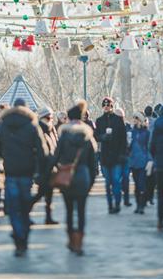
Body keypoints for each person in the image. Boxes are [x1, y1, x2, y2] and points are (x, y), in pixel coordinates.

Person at [0, 98, 48, 257]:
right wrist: (39, 170)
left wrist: (5, 157)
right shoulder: (32, 125)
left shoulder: (3, 124)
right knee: (25, 208)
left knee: (13, 208)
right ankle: (24, 237)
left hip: (11, 171)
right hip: (27, 172)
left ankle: (18, 236)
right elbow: (42, 150)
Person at [53, 100, 97, 256]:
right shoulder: (88, 137)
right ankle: (79, 243)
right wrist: (90, 183)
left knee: (69, 211)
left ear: (69, 119)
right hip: (83, 177)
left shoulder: (64, 137)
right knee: (81, 212)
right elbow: (94, 165)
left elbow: (55, 158)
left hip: (67, 178)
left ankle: (71, 239)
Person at [95, 97, 127, 214]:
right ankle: (110, 205)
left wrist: (123, 154)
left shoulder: (118, 120)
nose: (106, 107)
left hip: (117, 156)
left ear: (112, 106)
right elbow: (96, 136)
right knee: (108, 183)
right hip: (105, 157)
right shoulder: (99, 121)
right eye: (104, 105)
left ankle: (117, 204)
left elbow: (123, 139)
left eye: (108, 105)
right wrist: (103, 137)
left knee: (116, 181)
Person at [30, 106, 59, 224]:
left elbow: (56, 145)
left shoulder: (51, 129)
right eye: (48, 116)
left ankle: (48, 216)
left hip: (51, 166)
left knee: (48, 193)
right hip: (42, 167)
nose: (50, 119)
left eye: (51, 116)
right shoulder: (38, 129)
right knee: (42, 192)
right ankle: (25, 211)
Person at [128, 112, 151, 214]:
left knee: (142, 184)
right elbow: (128, 147)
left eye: (136, 118)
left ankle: (141, 205)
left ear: (141, 120)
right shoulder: (131, 132)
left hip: (143, 161)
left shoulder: (146, 132)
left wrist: (150, 160)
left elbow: (149, 147)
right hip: (133, 161)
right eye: (134, 118)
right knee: (137, 184)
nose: (134, 120)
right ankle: (138, 205)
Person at [114, 107, 132, 208]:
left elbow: (130, 141)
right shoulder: (112, 127)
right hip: (116, 157)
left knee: (125, 179)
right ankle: (117, 201)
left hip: (125, 156)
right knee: (117, 180)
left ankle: (126, 200)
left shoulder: (128, 127)